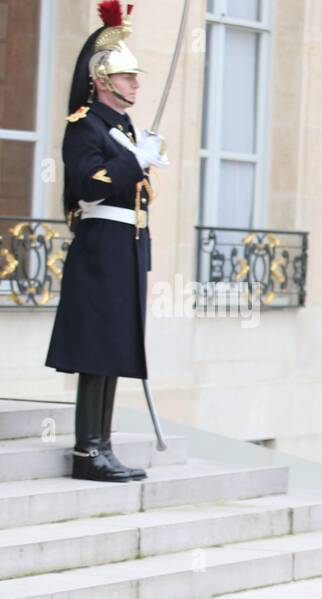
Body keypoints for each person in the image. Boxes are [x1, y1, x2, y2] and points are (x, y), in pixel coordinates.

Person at [46, 1, 168, 483]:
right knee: (98, 347)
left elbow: (137, 193)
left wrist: (140, 156)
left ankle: (104, 444)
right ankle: (87, 449)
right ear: (102, 81)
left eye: (136, 76)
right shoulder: (85, 125)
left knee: (116, 346)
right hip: (100, 242)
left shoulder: (123, 129)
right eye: (127, 76)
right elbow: (88, 184)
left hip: (127, 243)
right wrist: (133, 161)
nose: (137, 82)